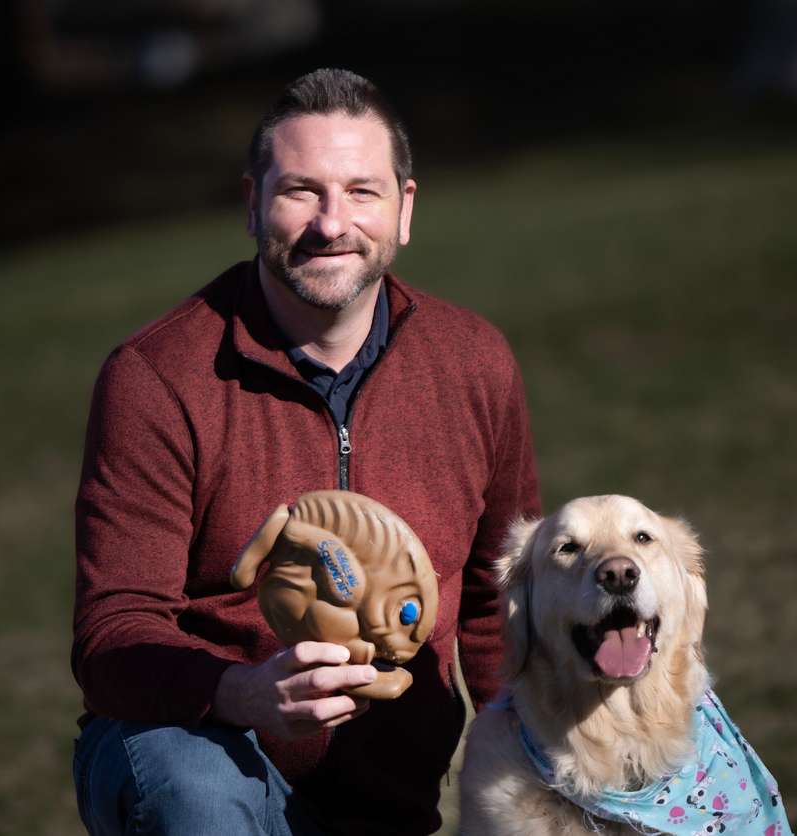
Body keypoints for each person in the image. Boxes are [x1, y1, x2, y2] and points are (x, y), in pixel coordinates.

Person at [71, 67, 540, 836]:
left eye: (362, 191)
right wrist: (239, 692)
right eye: (300, 191)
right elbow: (113, 634)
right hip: (195, 745)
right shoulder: (156, 377)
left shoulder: (474, 362)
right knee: (198, 795)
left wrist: (531, 769)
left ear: (404, 208)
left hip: (387, 803)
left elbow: (502, 599)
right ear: (252, 202)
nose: (332, 223)